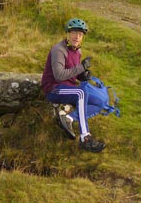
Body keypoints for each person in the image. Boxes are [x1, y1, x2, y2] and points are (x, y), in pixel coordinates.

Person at [40, 18, 106, 153]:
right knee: (81, 92)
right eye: (74, 33)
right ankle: (85, 138)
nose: (77, 37)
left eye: (80, 34)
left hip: (68, 88)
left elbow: (72, 72)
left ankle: (69, 118)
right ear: (68, 34)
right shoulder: (59, 50)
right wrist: (81, 67)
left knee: (99, 103)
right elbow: (59, 75)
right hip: (54, 89)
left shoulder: (78, 51)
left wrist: (82, 75)